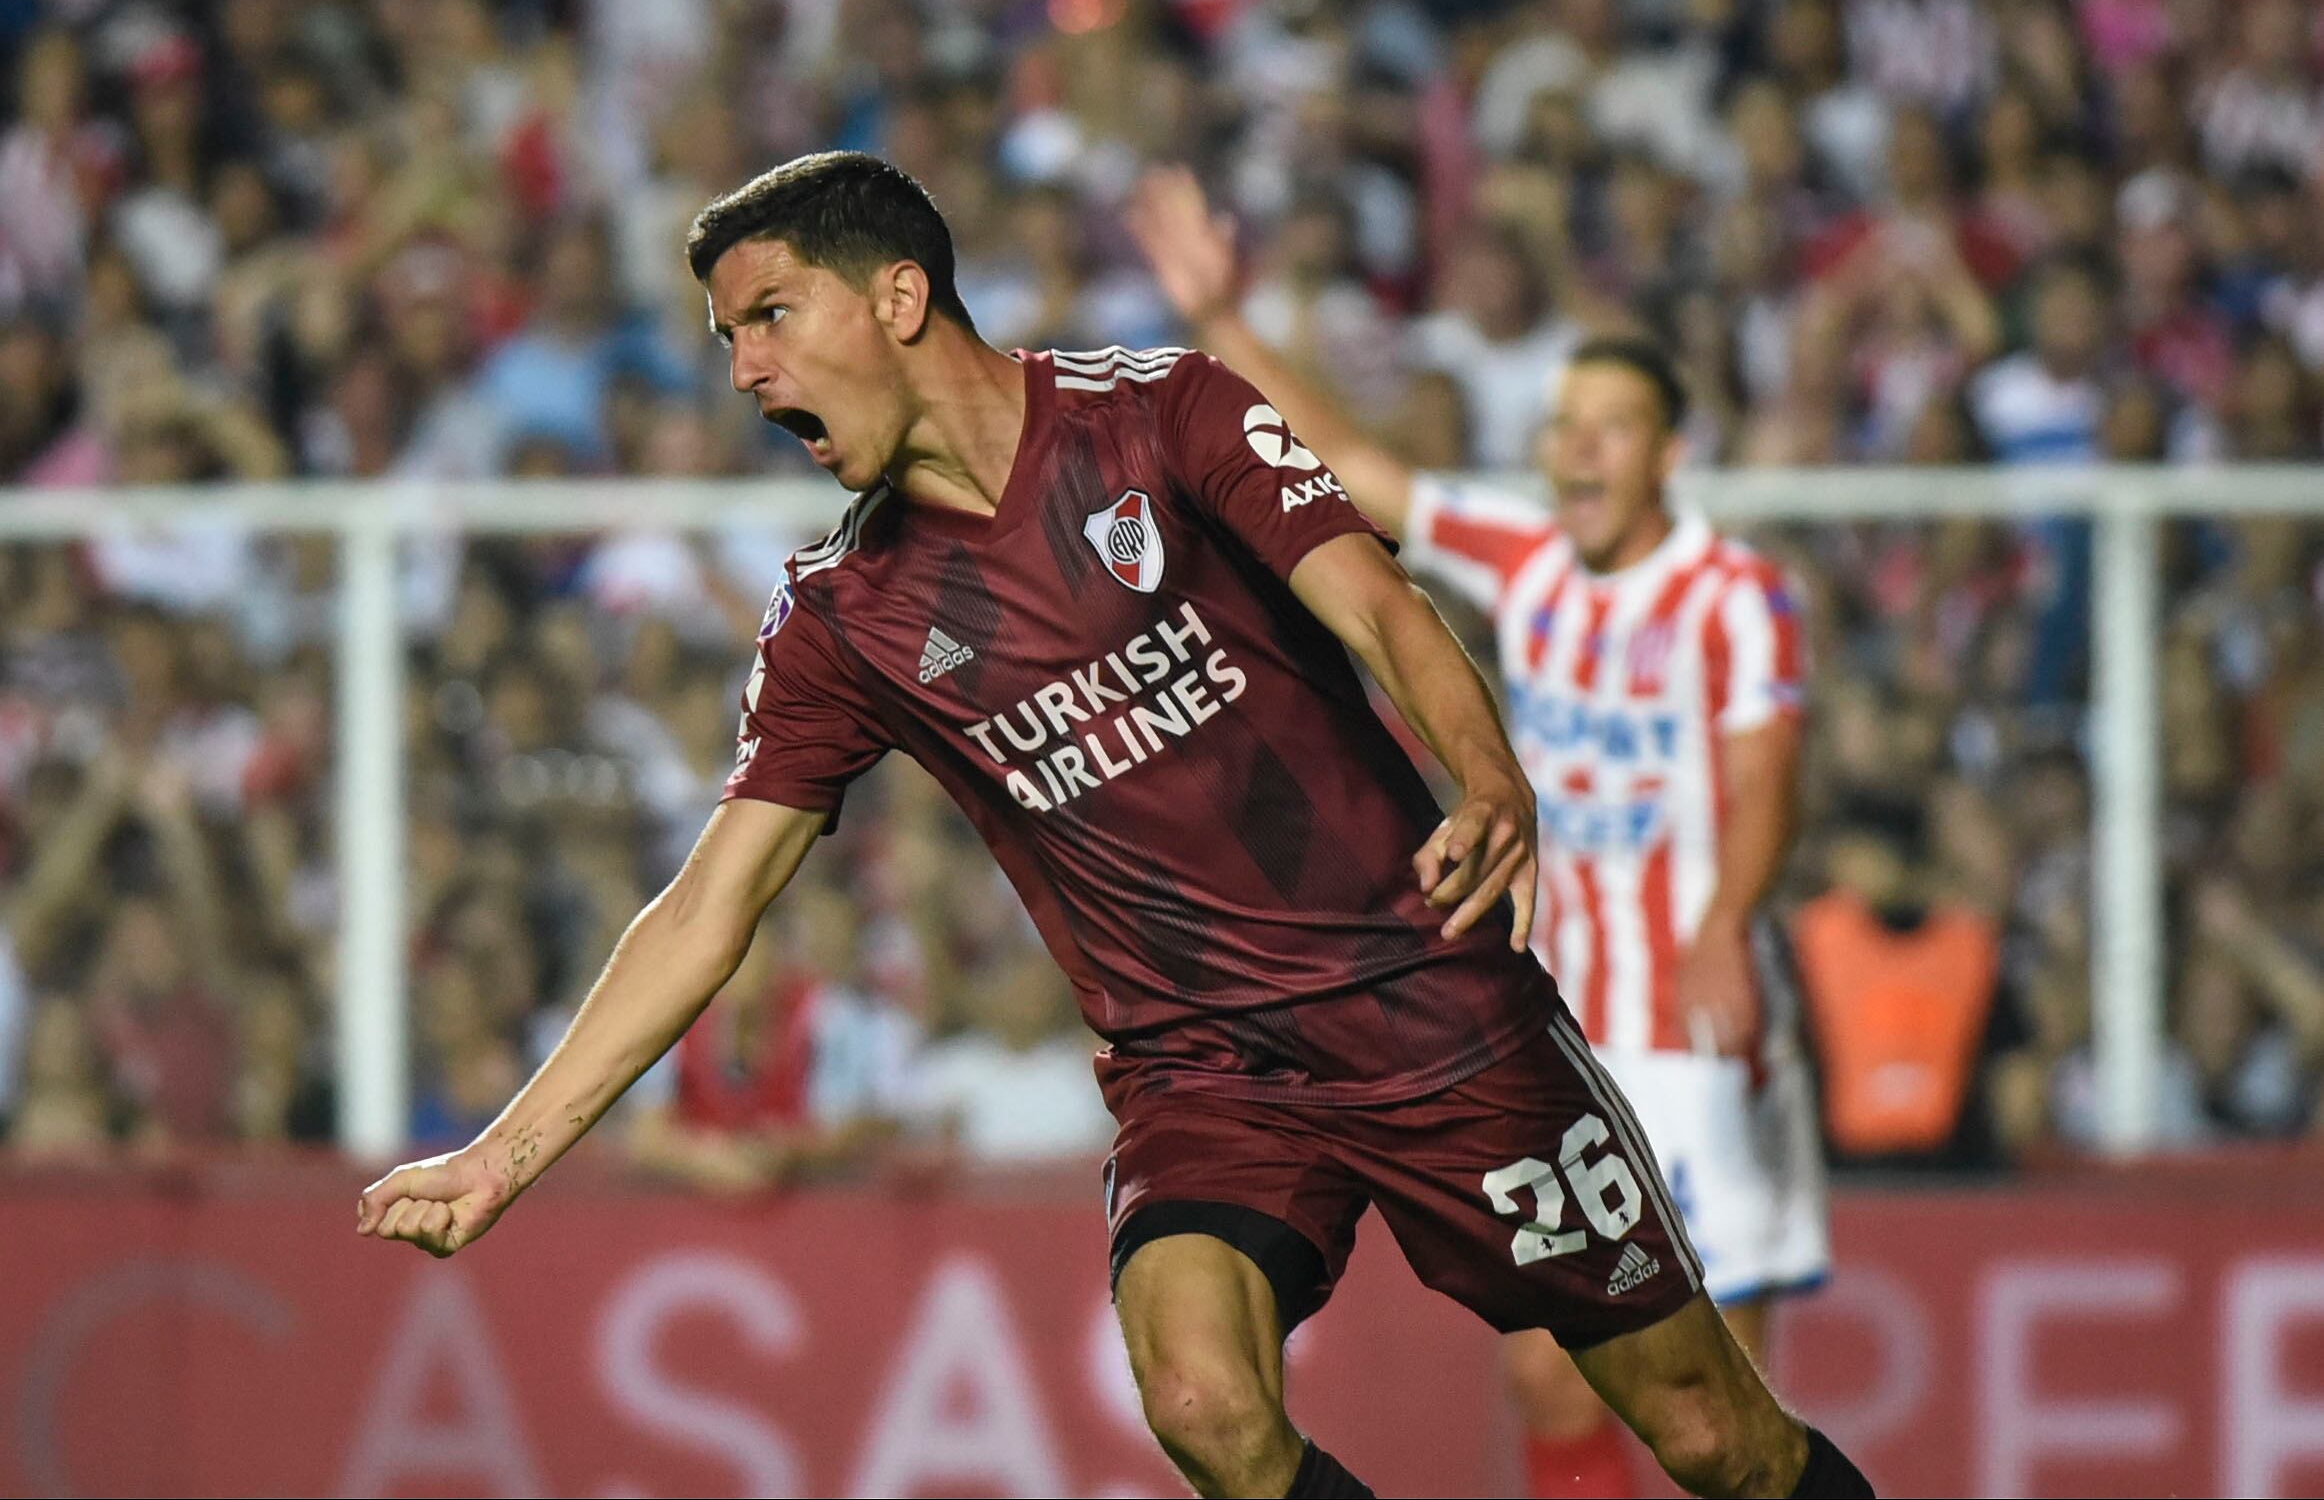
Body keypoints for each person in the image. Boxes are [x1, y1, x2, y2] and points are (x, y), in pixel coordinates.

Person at [358, 151, 1871, 1500]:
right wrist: (504, 1153)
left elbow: (1382, 608)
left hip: (1429, 1007)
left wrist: (1488, 772)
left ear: (896, 297)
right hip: (1199, 1065)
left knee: (1711, 1440)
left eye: (768, 318)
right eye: (726, 339)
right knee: (1205, 1401)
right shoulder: (841, 613)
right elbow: (707, 906)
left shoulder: (1164, 417)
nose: (745, 371)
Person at [1127, 167, 1834, 1500]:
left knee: (1719, 1391)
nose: (1575, 449)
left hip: (1698, 1015)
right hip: (1560, 1010)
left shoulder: (1738, 597)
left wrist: (1729, 926)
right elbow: (1349, 464)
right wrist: (1226, 318)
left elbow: (1766, 777)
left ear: (1668, 453)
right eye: (1564, 423)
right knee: (1547, 1367)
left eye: (1609, 428)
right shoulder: (1526, 556)